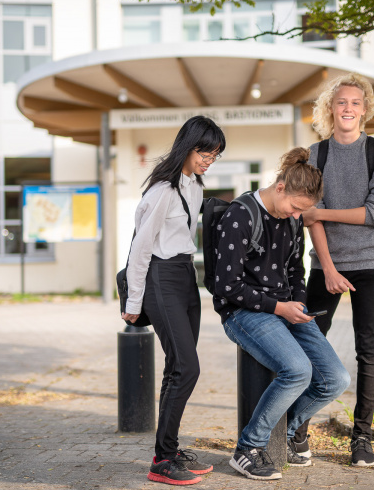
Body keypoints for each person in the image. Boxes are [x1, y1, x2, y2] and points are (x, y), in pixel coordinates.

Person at [214, 147, 350, 481]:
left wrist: (299, 306)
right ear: (279, 189)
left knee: (336, 379)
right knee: (297, 370)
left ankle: (283, 435)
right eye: (294, 206)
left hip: (286, 310)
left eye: (302, 212)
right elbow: (226, 286)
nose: (295, 215)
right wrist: (279, 308)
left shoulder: (292, 220)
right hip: (244, 312)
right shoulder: (240, 215)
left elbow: (295, 273)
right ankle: (249, 448)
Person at [298, 72, 374, 467]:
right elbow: (308, 218)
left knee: (367, 349)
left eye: (356, 103)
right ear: (330, 108)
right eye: (342, 102)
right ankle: (298, 430)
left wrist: (320, 211)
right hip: (326, 265)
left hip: (370, 263)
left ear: (366, 109)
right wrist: (327, 268)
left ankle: (362, 438)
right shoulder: (315, 154)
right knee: (308, 345)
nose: (349, 109)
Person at [122, 115, 226, 486]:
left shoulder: (194, 186)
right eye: (204, 151)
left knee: (176, 369)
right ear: (188, 145)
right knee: (187, 367)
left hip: (185, 276)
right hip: (160, 278)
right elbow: (140, 248)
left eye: (214, 154)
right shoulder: (161, 192)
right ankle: (162, 461)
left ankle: (166, 451)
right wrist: (134, 302)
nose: (208, 159)